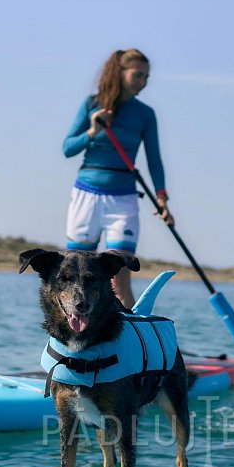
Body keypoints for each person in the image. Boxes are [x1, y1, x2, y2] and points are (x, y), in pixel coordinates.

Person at [62, 49, 173, 309]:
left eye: (146, 77)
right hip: (85, 195)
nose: (143, 82)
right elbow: (68, 148)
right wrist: (93, 131)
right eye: (137, 75)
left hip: (123, 198)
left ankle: (132, 337)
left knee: (119, 280)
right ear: (120, 73)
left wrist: (161, 198)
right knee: (78, 277)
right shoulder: (93, 104)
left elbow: (154, 160)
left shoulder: (145, 114)